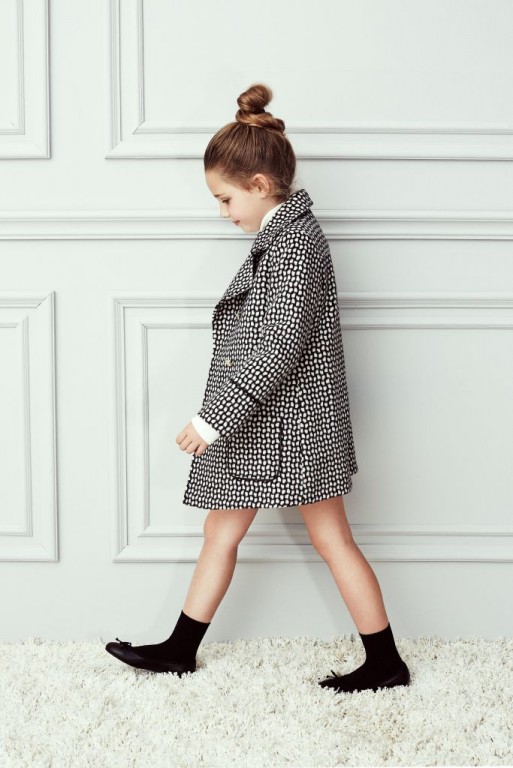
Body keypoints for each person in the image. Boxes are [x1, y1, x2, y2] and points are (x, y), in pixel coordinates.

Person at [105, 83, 411, 695]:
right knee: (221, 531)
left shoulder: (295, 243)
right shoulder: (283, 238)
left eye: (225, 199)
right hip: (265, 423)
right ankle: (180, 648)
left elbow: (278, 346)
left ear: (261, 185)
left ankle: (385, 661)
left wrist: (213, 418)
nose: (223, 213)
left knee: (331, 538)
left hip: (293, 425)